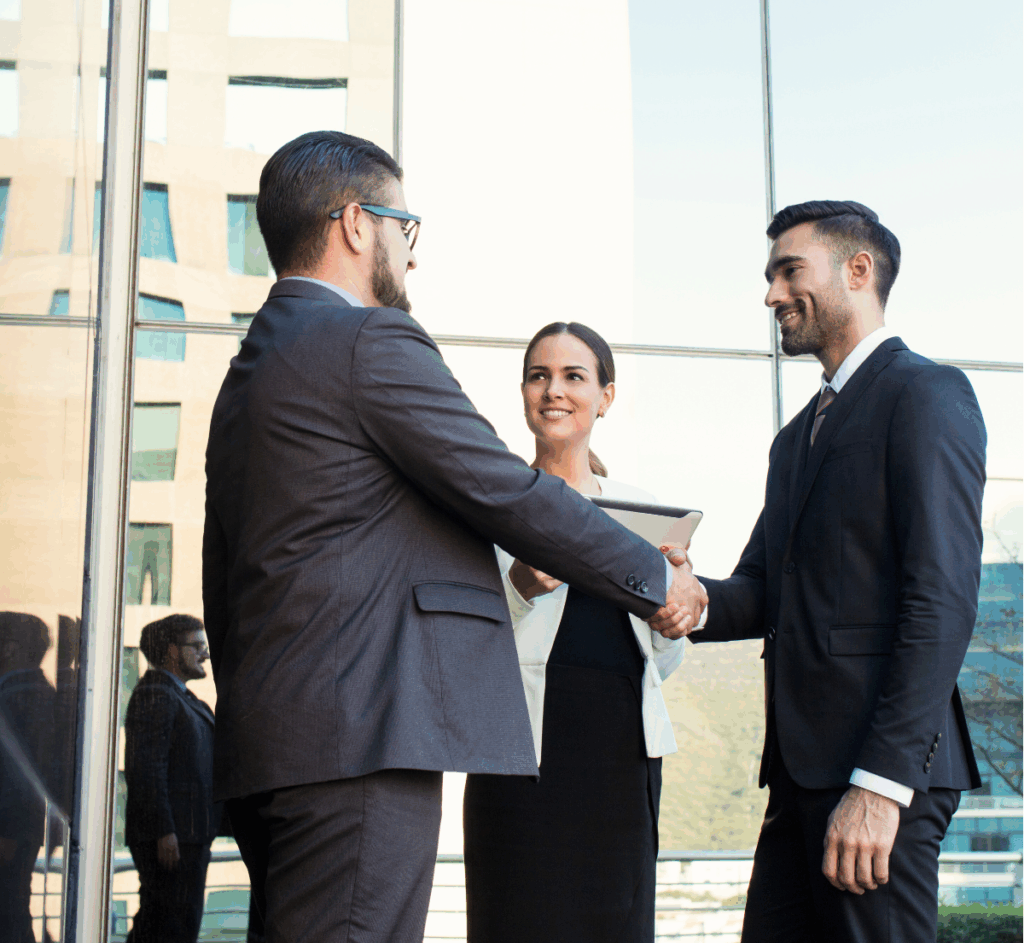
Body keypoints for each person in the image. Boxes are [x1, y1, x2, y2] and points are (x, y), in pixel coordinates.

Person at [202, 130, 707, 943]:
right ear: (357, 225)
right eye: (408, 229)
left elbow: (223, 576)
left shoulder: (251, 370)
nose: (412, 256)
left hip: (278, 745)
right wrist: (657, 575)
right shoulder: (367, 340)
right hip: (361, 741)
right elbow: (506, 491)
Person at [680, 200, 985, 943]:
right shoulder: (795, 439)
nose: (771, 293)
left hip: (876, 776)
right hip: (798, 777)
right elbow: (758, 593)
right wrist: (678, 594)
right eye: (769, 275)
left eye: (789, 271)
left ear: (859, 270)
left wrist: (881, 787)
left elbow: (940, 599)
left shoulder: (925, 394)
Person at [463, 322, 693, 943]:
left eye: (573, 376)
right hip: (519, 758)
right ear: (523, 392)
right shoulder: (486, 504)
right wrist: (517, 588)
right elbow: (459, 650)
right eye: (539, 376)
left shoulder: (643, 511)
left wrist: (672, 622)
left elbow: (659, 663)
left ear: (605, 397)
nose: (553, 390)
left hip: (622, 762)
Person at [125, 614, 222, 943]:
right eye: (197, 646)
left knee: (169, 925)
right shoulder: (157, 695)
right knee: (169, 928)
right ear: (171, 651)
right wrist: (163, 831)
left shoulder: (179, 697)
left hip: (187, 836)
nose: (205, 654)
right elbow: (147, 768)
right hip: (174, 840)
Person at [0, 612, 56, 943]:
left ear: (8, 649)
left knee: (9, 917)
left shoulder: (22, 694)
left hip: (8, 835)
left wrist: (9, 834)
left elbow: (27, 774)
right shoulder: (26, 692)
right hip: (15, 832)